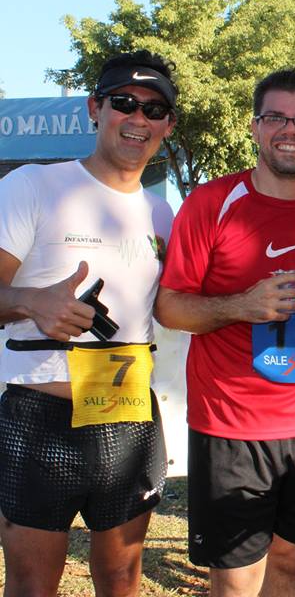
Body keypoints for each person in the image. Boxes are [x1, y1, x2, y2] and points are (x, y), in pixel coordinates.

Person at [155, 69, 295, 597]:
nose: (289, 129)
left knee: (290, 570)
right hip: (232, 425)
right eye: (275, 116)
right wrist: (242, 305)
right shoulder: (212, 204)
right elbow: (170, 306)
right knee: (235, 583)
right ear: (255, 127)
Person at [0, 50, 177, 596]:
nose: (138, 119)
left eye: (154, 109)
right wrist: (32, 302)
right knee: (33, 583)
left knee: (123, 579)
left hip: (129, 419)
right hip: (39, 418)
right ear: (94, 108)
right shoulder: (33, 185)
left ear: (168, 125)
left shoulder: (162, 213)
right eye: (124, 103)